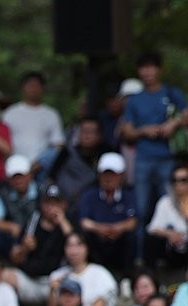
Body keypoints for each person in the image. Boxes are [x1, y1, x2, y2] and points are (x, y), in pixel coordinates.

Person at [120, 52, 185, 256]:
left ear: (159, 69)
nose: (148, 72)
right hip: (144, 159)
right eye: (143, 67)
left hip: (168, 158)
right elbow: (127, 131)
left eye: (151, 67)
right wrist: (144, 131)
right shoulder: (135, 100)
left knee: (172, 207)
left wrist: (172, 124)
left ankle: (173, 254)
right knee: (141, 209)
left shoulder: (171, 93)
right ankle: (141, 258)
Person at [2, 184, 74, 302]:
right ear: (41, 204)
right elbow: (14, 259)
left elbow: (77, 248)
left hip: (55, 282)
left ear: (64, 204)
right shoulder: (32, 223)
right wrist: (24, 248)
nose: (52, 207)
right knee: (5, 276)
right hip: (29, 280)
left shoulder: (69, 224)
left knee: (71, 285)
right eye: (48, 203)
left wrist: (62, 221)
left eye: (56, 203)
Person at [77, 152, 138, 280]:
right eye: (105, 174)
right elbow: (84, 222)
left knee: (131, 237)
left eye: (113, 174)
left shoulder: (128, 195)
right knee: (85, 236)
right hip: (98, 241)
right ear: (99, 175)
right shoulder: (90, 195)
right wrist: (101, 229)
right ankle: (91, 277)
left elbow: (132, 221)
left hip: (119, 241)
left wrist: (116, 229)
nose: (108, 178)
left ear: (121, 175)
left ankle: (126, 280)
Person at [2, 72, 64, 167]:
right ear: (23, 88)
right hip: (14, 167)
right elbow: (2, 140)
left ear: (43, 88)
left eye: (37, 85)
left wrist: (40, 164)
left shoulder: (51, 114)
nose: (34, 89)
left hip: (42, 167)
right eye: (30, 85)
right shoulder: (10, 113)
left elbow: (58, 145)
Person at [0, 155, 38, 259]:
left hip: (38, 235)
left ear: (29, 175)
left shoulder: (41, 191)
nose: (18, 180)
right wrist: (9, 226)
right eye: (14, 177)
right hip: (14, 238)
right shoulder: (3, 194)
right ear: (8, 180)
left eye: (21, 176)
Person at [145, 163, 188, 269]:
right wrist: (169, 234)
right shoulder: (165, 202)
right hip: (171, 248)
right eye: (175, 180)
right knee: (151, 240)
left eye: (183, 180)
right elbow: (152, 228)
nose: (179, 184)